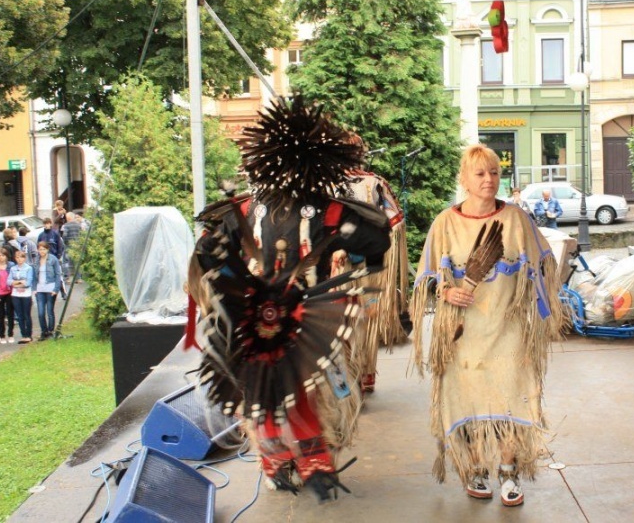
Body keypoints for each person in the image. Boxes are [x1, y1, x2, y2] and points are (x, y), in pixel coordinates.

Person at [188, 95, 391, 501]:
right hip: (291, 317)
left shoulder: (250, 209)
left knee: (271, 394)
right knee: (287, 393)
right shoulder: (323, 210)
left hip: (284, 316)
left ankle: (285, 463)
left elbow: (207, 253)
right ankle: (304, 462)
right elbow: (377, 241)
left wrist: (225, 286)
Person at [410, 144, 565, 507]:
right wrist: (446, 292)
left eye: (494, 172)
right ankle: (477, 468)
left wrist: (538, 300)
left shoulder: (515, 219)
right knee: (468, 399)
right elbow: (425, 280)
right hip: (463, 333)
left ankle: (509, 473)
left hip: (507, 327)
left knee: (511, 396)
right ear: (463, 179)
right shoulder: (445, 223)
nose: (488, 180)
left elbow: (544, 261)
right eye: (479, 173)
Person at [339, 166, 410, 394]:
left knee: (347, 317)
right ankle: (362, 375)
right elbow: (395, 220)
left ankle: (352, 376)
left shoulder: (326, 183)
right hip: (366, 257)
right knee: (362, 318)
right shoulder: (374, 183)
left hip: (342, 258)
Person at [32, 241, 62, 341]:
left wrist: (56, 289)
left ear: (47, 249)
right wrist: (34, 288)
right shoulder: (36, 260)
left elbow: (58, 274)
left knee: (49, 311)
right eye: (40, 249)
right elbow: (34, 276)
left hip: (50, 287)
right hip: (40, 289)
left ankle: (50, 331)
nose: (42, 251)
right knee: (40, 312)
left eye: (44, 249)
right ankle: (43, 331)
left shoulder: (53, 259)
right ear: (37, 250)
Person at [7, 251, 35, 344]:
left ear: (24, 258)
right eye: (17, 257)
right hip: (15, 295)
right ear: (15, 258)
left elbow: (28, 282)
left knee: (26, 314)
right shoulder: (13, 268)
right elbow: (9, 281)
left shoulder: (29, 268)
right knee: (19, 316)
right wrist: (19, 282)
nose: (19, 259)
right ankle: (23, 335)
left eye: (21, 257)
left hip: (26, 294)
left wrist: (16, 283)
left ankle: (29, 335)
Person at [0, 248, 16, 343]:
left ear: (7, 256)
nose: (1, 258)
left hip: (9, 292)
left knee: (11, 314)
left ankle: (10, 334)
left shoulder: (11, 265)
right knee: (0, 315)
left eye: (3, 255)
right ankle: (2, 335)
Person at [60, 212, 83, 281]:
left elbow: (64, 236)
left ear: (68, 218)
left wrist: (65, 242)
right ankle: (78, 278)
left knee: (66, 262)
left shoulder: (66, 226)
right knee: (77, 262)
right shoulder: (79, 225)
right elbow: (82, 235)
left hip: (69, 246)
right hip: (77, 246)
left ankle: (67, 277)